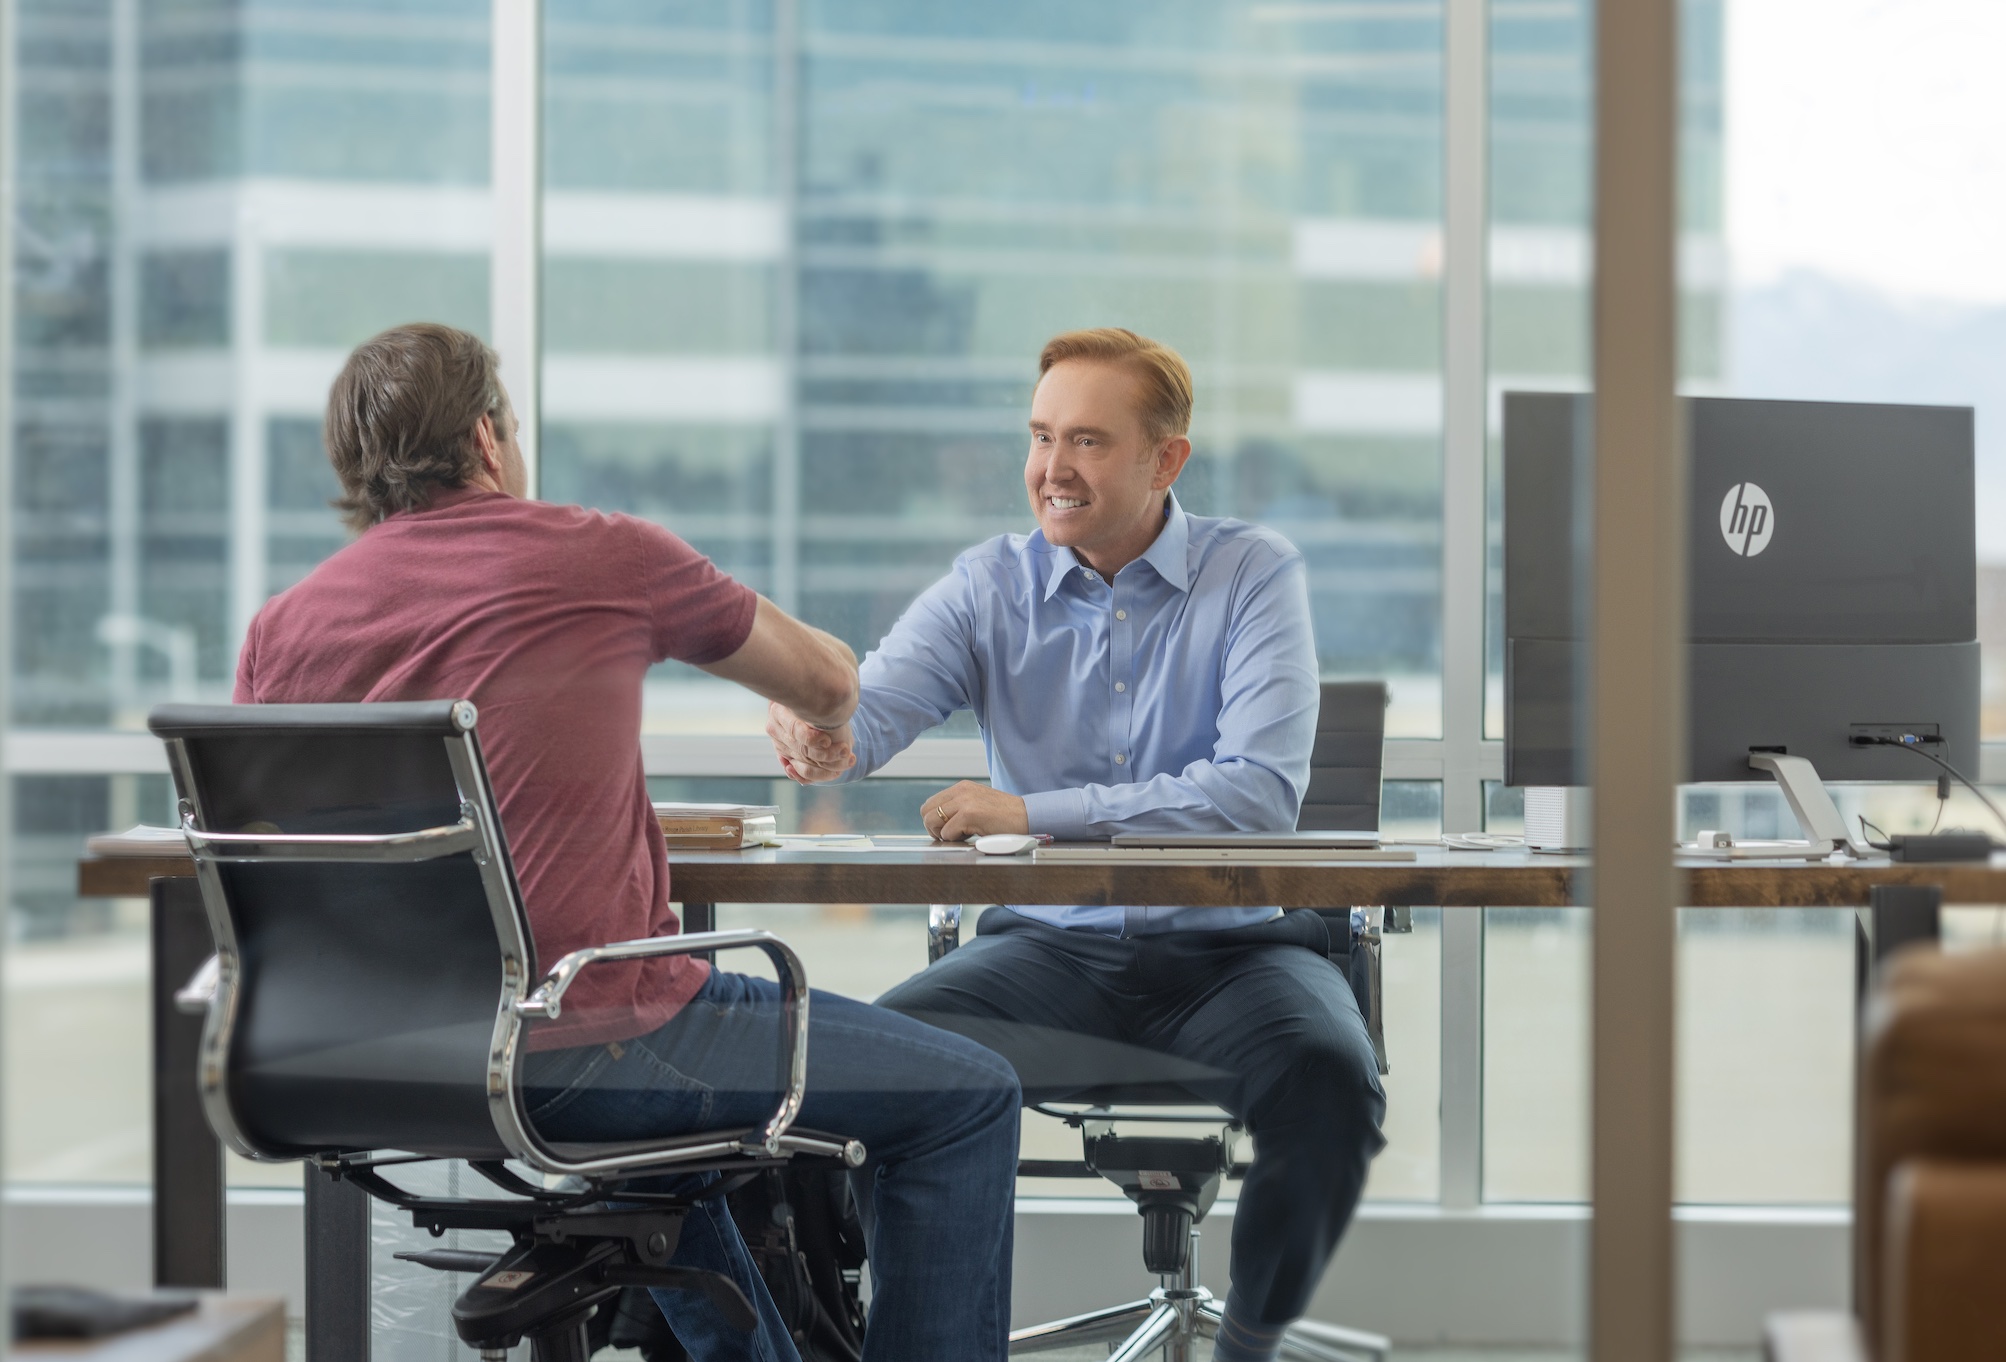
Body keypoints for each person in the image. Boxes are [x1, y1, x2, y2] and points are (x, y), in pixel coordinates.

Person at [234, 322, 1021, 1362]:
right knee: (967, 1098)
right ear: (486, 437)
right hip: (582, 1040)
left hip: (375, 1059)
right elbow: (830, 682)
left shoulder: (279, 630)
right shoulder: (598, 553)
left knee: (660, 1140)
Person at [766, 327, 1387, 1362]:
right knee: (842, 1075)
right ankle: (882, 1340)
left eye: (1089, 441)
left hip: (1232, 955)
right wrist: (817, 726)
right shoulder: (988, 583)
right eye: (1040, 436)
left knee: (1331, 1078)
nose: (1052, 469)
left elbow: (1256, 799)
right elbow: (869, 715)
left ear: (1165, 460)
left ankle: (1246, 1342)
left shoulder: (1250, 574)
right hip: (1046, 954)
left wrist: (1033, 811)